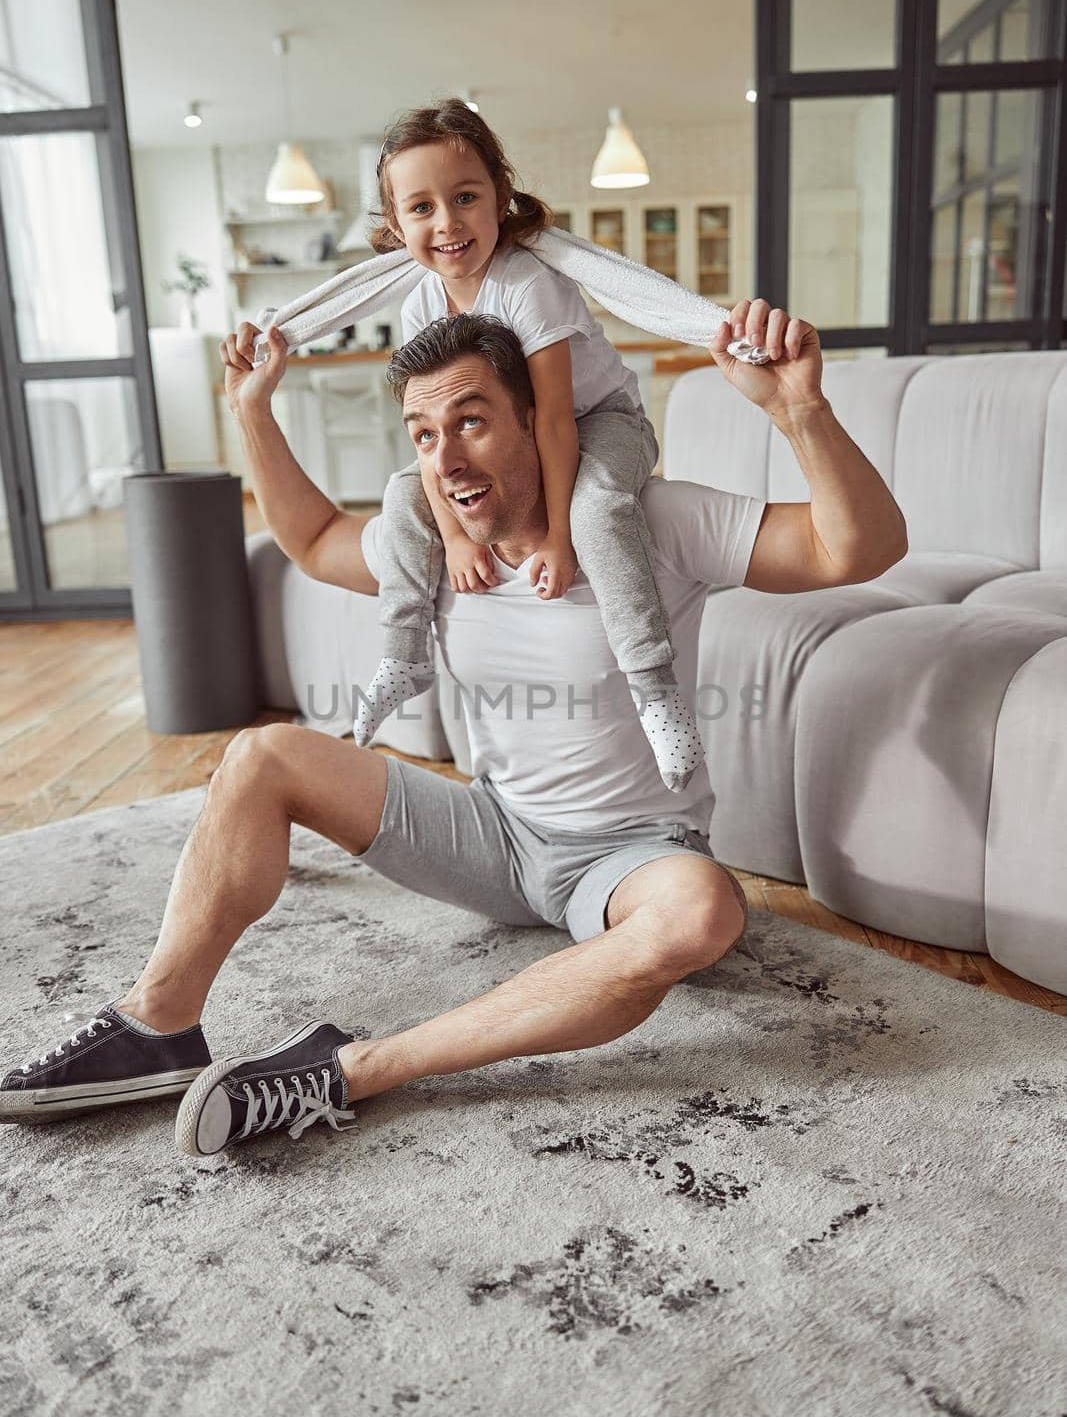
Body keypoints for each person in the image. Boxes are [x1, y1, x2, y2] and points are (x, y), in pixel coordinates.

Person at [0, 301, 907, 1159]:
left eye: (470, 422)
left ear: (540, 424)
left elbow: (854, 548)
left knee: (702, 911)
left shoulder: (646, 522)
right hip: (494, 834)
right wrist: (252, 413)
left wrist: (801, 411)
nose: (445, 458)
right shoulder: (433, 545)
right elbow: (312, 539)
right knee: (262, 754)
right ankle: (160, 1023)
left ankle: (354, 1068)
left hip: (629, 857)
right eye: (424, 436)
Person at [355, 98, 704, 793]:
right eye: (421, 209)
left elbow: (550, 418)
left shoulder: (527, 283)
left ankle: (654, 687)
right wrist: (454, 538)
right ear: (396, 227)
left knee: (599, 509)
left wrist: (555, 536)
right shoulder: (422, 303)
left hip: (601, 420)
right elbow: (430, 432)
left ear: (500, 198)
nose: (447, 224)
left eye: (464, 198)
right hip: (503, 440)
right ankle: (403, 654)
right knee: (400, 492)